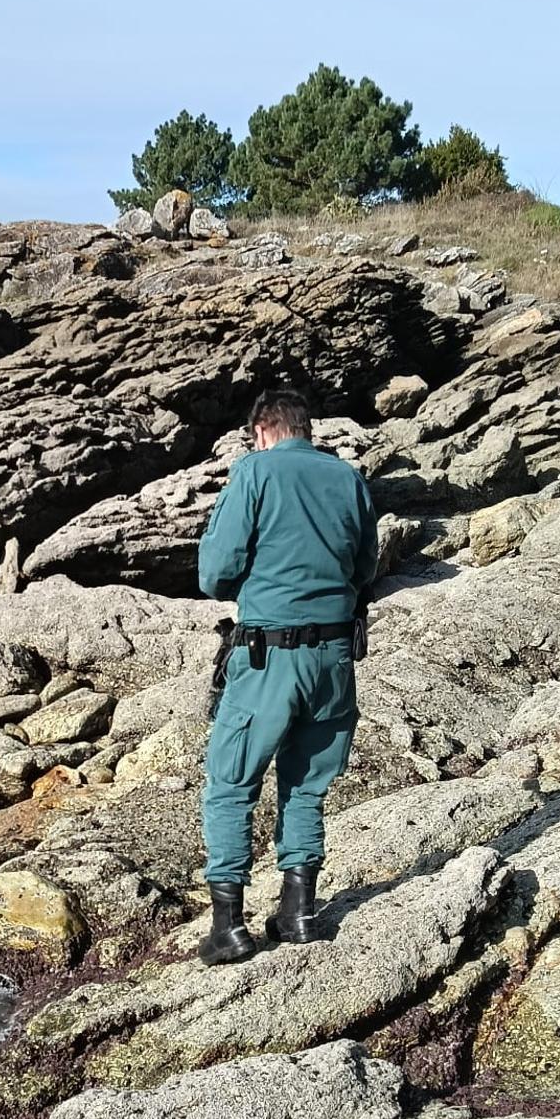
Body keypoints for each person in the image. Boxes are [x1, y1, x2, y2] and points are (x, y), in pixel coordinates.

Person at [196, 386, 378, 965]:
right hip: (334, 660)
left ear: (262, 431)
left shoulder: (253, 472)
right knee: (306, 785)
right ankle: (298, 913)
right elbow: (366, 567)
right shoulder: (348, 478)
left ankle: (229, 927)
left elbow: (214, 572)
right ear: (306, 428)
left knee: (231, 784)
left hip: (268, 657)